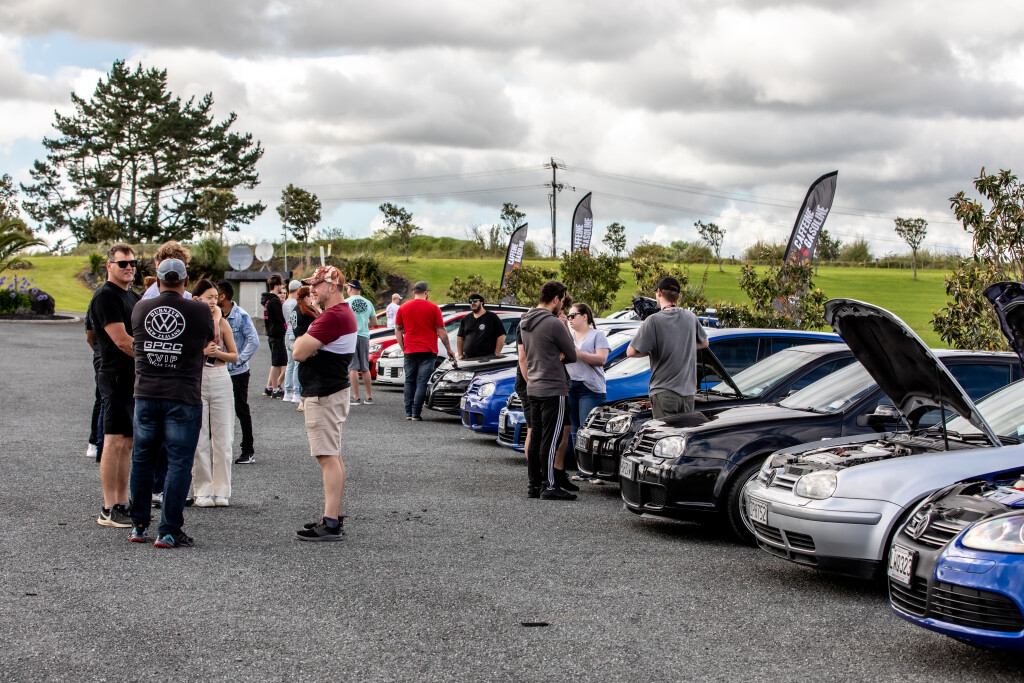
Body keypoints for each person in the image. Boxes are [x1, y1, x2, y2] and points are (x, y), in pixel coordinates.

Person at [127, 258, 214, 548]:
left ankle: (139, 525)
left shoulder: (141, 308)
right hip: (182, 395)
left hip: (146, 394)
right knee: (179, 463)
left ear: (157, 280)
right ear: (186, 281)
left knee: (142, 460)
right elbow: (210, 338)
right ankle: (168, 530)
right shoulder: (200, 310)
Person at [291, 265, 357, 541]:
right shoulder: (340, 313)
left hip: (324, 393)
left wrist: (306, 344)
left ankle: (330, 522)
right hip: (332, 391)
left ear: (332, 286)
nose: (312, 290)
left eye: (317, 285)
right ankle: (332, 517)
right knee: (333, 456)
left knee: (328, 457)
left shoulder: (332, 316)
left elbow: (297, 351)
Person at [89, 243, 140, 527]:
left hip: (132, 376)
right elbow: (121, 340)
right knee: (114, 439)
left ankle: (122, 501)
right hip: (115, 375)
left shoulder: (131, 295)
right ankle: (109, 507)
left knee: (127, 441)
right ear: (109, 266)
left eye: (132, 262)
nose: (129, 267)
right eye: (123, 263)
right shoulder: (106, 296)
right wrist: (153, 358)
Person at [518, 280, 578, 500]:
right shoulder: (553, 323)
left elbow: (525, 355)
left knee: (536, 437)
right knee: (552, 439)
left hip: (534, 385)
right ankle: (549, 486)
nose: (562, 305)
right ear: (556, 298)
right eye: (562, 300)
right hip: (553, 386)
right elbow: (572, 355)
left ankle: (534, 485)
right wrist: (559, 353)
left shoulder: (525, 321)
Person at [626, 275, 709, 418]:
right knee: (684, 431)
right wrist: (682, 345)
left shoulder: (653, 320)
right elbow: (704, 343)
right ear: (678, 296)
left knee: (665, 431)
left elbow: (631, 352)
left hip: (664, 391)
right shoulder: (691, 317)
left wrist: (656, 349)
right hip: (688, 393)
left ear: (659, 292)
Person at [191, 279, 238, 508]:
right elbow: (185, 354)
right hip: (197, 378)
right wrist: (203, 352)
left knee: (224, 437)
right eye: (208, 297)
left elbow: (234, 356)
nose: (212, 301)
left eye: (214, 297)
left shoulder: (222, 322)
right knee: (198, 438)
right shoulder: (190, 321)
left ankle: (222, 491)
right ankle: (202, 491)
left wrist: (217, 353)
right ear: (196, 298)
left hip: (220, 377)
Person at [394, 281, 455, 421]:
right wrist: (449, 350)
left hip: (410, 350)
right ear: (426, 292)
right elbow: (441, 331)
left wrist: (403, 347)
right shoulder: (434, 308)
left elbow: (398, 330)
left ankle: (408, 412)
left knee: (409, 381)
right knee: (422, 382)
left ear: (413, 292)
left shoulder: (403, 308)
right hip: (428, 350)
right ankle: (416, 413)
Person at [564, 303, 610, 485]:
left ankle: (595, 471)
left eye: (573, 315)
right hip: (570, 385)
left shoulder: (597, 335)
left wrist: (578, 354)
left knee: (589, 430)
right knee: (575, 430)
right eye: (568, 316)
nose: (570, 319)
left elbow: (601, 359)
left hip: (590, 388)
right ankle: (582, 469)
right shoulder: (569, 335)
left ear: (584, 316)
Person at [216, 280, 261, 464]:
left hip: (238, 372)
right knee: (215, 411)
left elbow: (254, 341)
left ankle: (248, 451)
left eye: (215, 294)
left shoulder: (241, 315)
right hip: (218, 371)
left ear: (222, 296)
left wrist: (238, 360)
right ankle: (215, 451)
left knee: (241, 410)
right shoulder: (215, 315)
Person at [344, 279, 375, 406]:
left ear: (351, 289)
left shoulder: (346, 303)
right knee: (365, 368)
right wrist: (364, 325)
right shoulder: (368, 303)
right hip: (364, 336)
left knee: (353, 367)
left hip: (351, 336)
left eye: (347, 288)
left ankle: (356, 397)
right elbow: (374, 322)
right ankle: (369, 396)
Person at [84, 290, 105, 461]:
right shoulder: (100, 297)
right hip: (104, 358)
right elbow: (89, 334)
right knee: (102, 399)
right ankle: (94, 441)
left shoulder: (132, 297)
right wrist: (99, 352)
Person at [293, 285, 319, 412]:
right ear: (306, 297)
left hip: (298, 342)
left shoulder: (295, 309)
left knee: (301, 370)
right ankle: (303, 400)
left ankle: (301, 398)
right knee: (309, 372)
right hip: (308, 344)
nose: (312, 298)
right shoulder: (306, 311)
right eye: (310, 295)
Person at [457, 293, 506, 360]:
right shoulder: (465, 319)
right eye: (470, 302)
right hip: (468, 358)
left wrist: (497, 353)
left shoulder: (492, 317)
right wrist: (460, 354)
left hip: (487, 358)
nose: (472, 303)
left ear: (481, 302)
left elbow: (501, 335)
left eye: (475, 301)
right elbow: (460, 337)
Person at [262, 274, 287, 399]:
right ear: (277, 285)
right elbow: (281, 319)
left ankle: (269, 387)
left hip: (271, 333)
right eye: (281, 285)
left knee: (276, 361)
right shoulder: (274, 301)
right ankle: (275, 388)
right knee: (277, 363)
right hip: (277, 334)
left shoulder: (267, 300)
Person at [283, 280, 302, 403]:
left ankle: (287, 392)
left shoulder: (285, 303)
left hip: (287, 333)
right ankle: (296, 392)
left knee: (289, 364)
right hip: (295, 334)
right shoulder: (295, 303)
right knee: (297, 364)